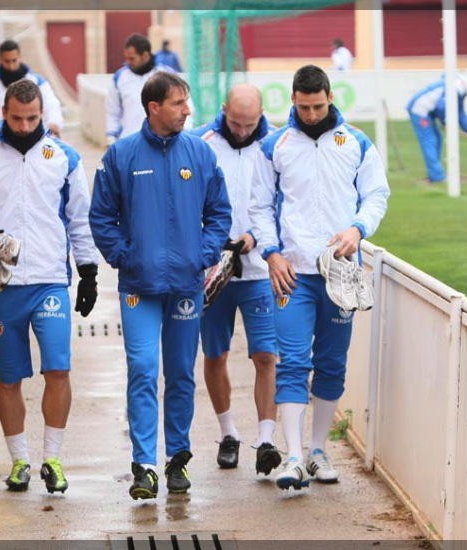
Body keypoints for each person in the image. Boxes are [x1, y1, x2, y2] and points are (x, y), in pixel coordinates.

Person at [90, 71, 231, 500]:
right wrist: (125, 256)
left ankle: (177, 459)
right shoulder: (122, 155)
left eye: (187, 102)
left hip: (186, 286)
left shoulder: (200, 154)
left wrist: (203, 254)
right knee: (143, 369)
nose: (188, 110)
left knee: (181, 373)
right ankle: (144, 465)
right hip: (139, 286)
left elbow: (219, 213)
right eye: (178, 103)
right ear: (154, 108)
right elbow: (102, 216)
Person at [249, 65, 390, 492]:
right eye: (304, 107)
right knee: (293, 361)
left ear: (330, 97)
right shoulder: (275, 145)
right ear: (292, 100)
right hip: (293, 274)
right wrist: (271, 253)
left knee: (331, 363)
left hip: (341, 274)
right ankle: (293, 457)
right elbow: (259, 206)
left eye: (318, 106)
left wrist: (358, 229)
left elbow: (376, 194)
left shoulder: (356, 142)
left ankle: (317, 451)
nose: (311, 114)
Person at [0, 79, 99, 494]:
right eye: (17, 118)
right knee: (9, 377)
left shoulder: (64, 157)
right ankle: (19, 461)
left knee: (58, 368)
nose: (24, 125)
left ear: (42, 114)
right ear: (4, 113)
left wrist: (88, 271)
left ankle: (52, 459)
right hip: (2, 284)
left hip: (49, 280)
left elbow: (79, 218)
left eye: (32, 118)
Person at [191, 84, 281, 476]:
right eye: (235, 123)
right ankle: (228, 433)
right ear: (224, 109)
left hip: (259, 269)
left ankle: (266, 439)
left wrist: (256, 237)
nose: (242, 131)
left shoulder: (276, 143)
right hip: (213, 271)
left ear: (261, 113)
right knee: (215, 355)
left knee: (266, 355)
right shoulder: (199, 143)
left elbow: (281, 203)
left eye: (250, 124)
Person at [0, 40, 64, 148]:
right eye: (7, 61)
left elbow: (51, 105)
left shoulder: (38, 82)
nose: (11, 66)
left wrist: (53, 122)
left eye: (14, 60)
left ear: (20, 57)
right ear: (0, 59)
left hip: (35, 142)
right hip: (1, 145)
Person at [105, 33, 179, 145]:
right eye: (127, 58)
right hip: (129, 143)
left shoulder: (167, 75)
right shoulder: (120, 77)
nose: (128, 62)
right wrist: (111, 136)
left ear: (145, 55)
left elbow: (182, 105)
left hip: (161, 143)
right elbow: (112, 110)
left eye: (132, 58)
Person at [406, 73, 467, 183]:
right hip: (419, 110)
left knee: (437, 139)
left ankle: (436, 173)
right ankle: (437, 176)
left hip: (428, 111)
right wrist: (446, 123)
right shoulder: (459, 87)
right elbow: (441, 106)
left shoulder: (462, 87)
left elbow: (459, 112)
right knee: (429, 140)